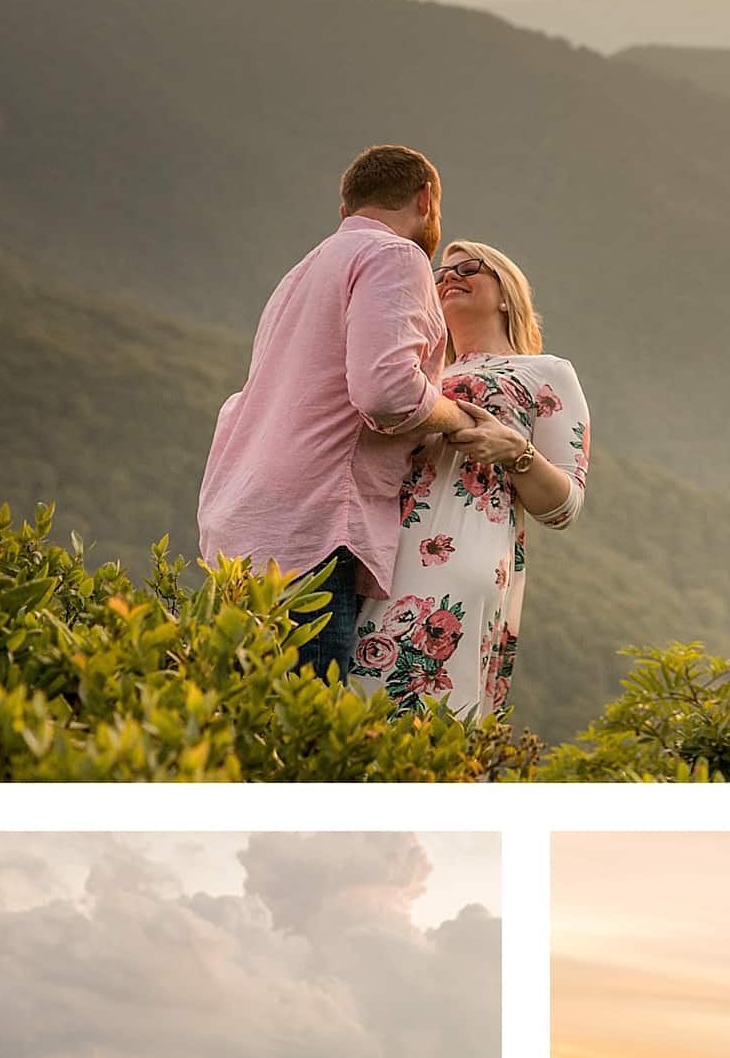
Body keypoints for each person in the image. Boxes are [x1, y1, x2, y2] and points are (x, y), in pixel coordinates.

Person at [198, 145, 515, 680]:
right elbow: (385, 392)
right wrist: (459, 419)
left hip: (240, 526)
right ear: (426, 199)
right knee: (301, 746)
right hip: (312, 528)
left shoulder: (300, 274)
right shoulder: (395, 256)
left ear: (345, 211)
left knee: (239, 729)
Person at [347, 239, 588, 720]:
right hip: (374, 549)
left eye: (469, 267)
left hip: (462, 551)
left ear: (507, 294)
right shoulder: (412, 374)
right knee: (355, 706)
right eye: (440, 272)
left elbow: (565, 505)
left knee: (427, 708)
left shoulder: (545, 373)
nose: (449, 276)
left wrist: (517, 452)